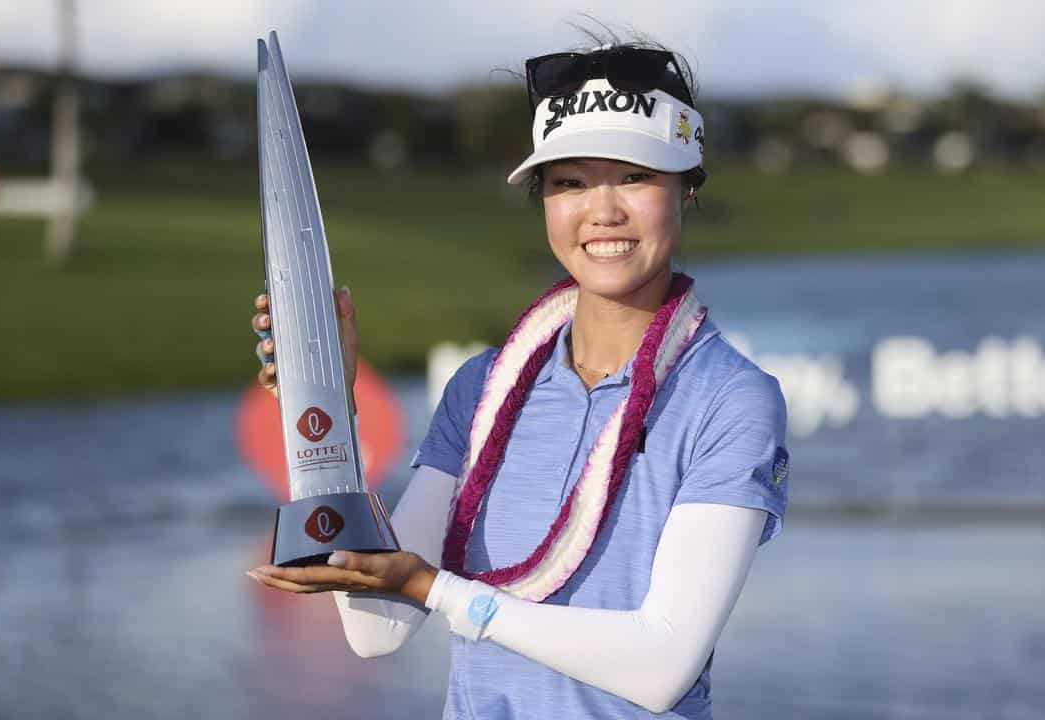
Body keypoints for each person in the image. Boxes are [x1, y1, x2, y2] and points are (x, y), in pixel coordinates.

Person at [246, 32, 790, 719]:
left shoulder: (731, 400)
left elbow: (663, 665)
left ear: (687, 188)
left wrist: (438, 591)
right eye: (569, 183)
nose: (603, 211)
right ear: (543, 200)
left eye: (634, 175)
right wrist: (325, 411)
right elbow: (376, 629)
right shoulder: (482, 388)